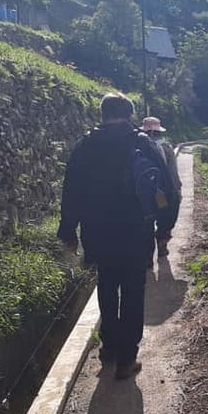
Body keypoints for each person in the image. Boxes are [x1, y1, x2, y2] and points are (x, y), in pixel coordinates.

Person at [57, 94, 177, 380]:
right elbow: (166, 189)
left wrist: (68, 231)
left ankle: (108, 348)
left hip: (98, 233)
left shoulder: (86, 146)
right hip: (137, 232)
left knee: (107, 286)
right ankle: (126, 358)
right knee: (134, 291)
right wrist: (164, 228)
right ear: (130, 114)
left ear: (102, 114)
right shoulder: (143, 144)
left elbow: (71, 190)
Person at [140, 116, 182, 265]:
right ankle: (162, 244)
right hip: (162, 193)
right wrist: (177, 189)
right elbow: (172, 172)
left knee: (146, 222)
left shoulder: (136, 146)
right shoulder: (165, 146)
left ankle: (146, 257)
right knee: (165, 217)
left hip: (143, 193)